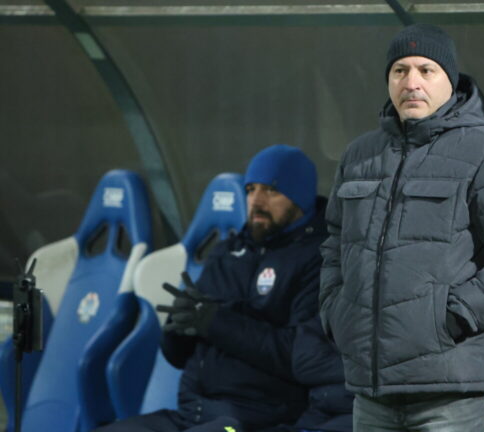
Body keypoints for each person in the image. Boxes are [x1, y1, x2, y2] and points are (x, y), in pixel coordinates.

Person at [319, 24, 484, 431]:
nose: (411, 82)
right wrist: (336, 313)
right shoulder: (359, 155)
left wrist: (454, 317)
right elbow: (334, 247)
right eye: (400, 71)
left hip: (451, 394)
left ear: (450, 79)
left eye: (426, 70)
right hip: (371, 394)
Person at [95, 145, 352, 432]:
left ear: (300, 198)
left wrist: (213, 320)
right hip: (189, 415)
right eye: (250, 190)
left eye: (271, 191)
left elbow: (301, 355)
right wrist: (178, 328)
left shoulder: (319, 259)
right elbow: (178, 357)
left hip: (252, 421)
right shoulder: (227, 252)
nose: (256, 201)